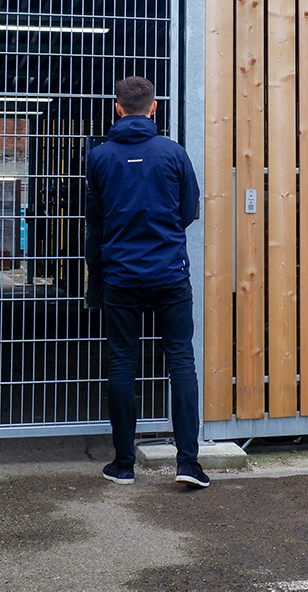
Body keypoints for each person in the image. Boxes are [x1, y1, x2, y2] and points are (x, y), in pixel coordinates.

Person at [86, 76, 206, 488]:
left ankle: (123, 465)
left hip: (121, 275)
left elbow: (95, 222)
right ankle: (188, 464)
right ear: (153, 108)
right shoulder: (174, 153)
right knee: (181, 361)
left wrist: (96, 278)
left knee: (122, 363)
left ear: (117, 108)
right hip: (170, 273)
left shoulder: (99, 157)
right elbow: (189, 210)